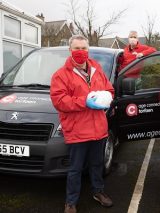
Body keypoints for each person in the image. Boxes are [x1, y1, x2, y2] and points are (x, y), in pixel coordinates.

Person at [50, 35, 114, 213]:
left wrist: (106, 98)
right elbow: (60, 101)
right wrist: (85, 101)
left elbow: (109, 89)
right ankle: (71, 202)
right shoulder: (61, 75)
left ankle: (98, 191)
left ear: (88, 50)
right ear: (70, 51)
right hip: (77, 130)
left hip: (98, 128)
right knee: (75, 169)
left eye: (84, 48)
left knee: (97, 164)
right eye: (77, 48)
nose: (81, 52)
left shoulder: (97, 69)